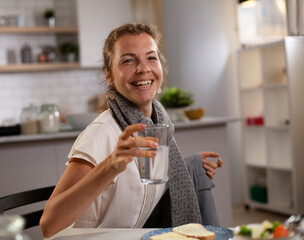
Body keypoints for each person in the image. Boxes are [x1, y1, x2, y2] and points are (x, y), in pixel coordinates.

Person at [40, 22, 223, 238]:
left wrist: (189, 165)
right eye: (128, 60)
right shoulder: (101, 132)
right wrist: (110, 165)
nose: (143, 68)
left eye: (151, 58)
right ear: (109, 75)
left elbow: (145, 188)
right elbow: (49, 224)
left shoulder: (156, 126)